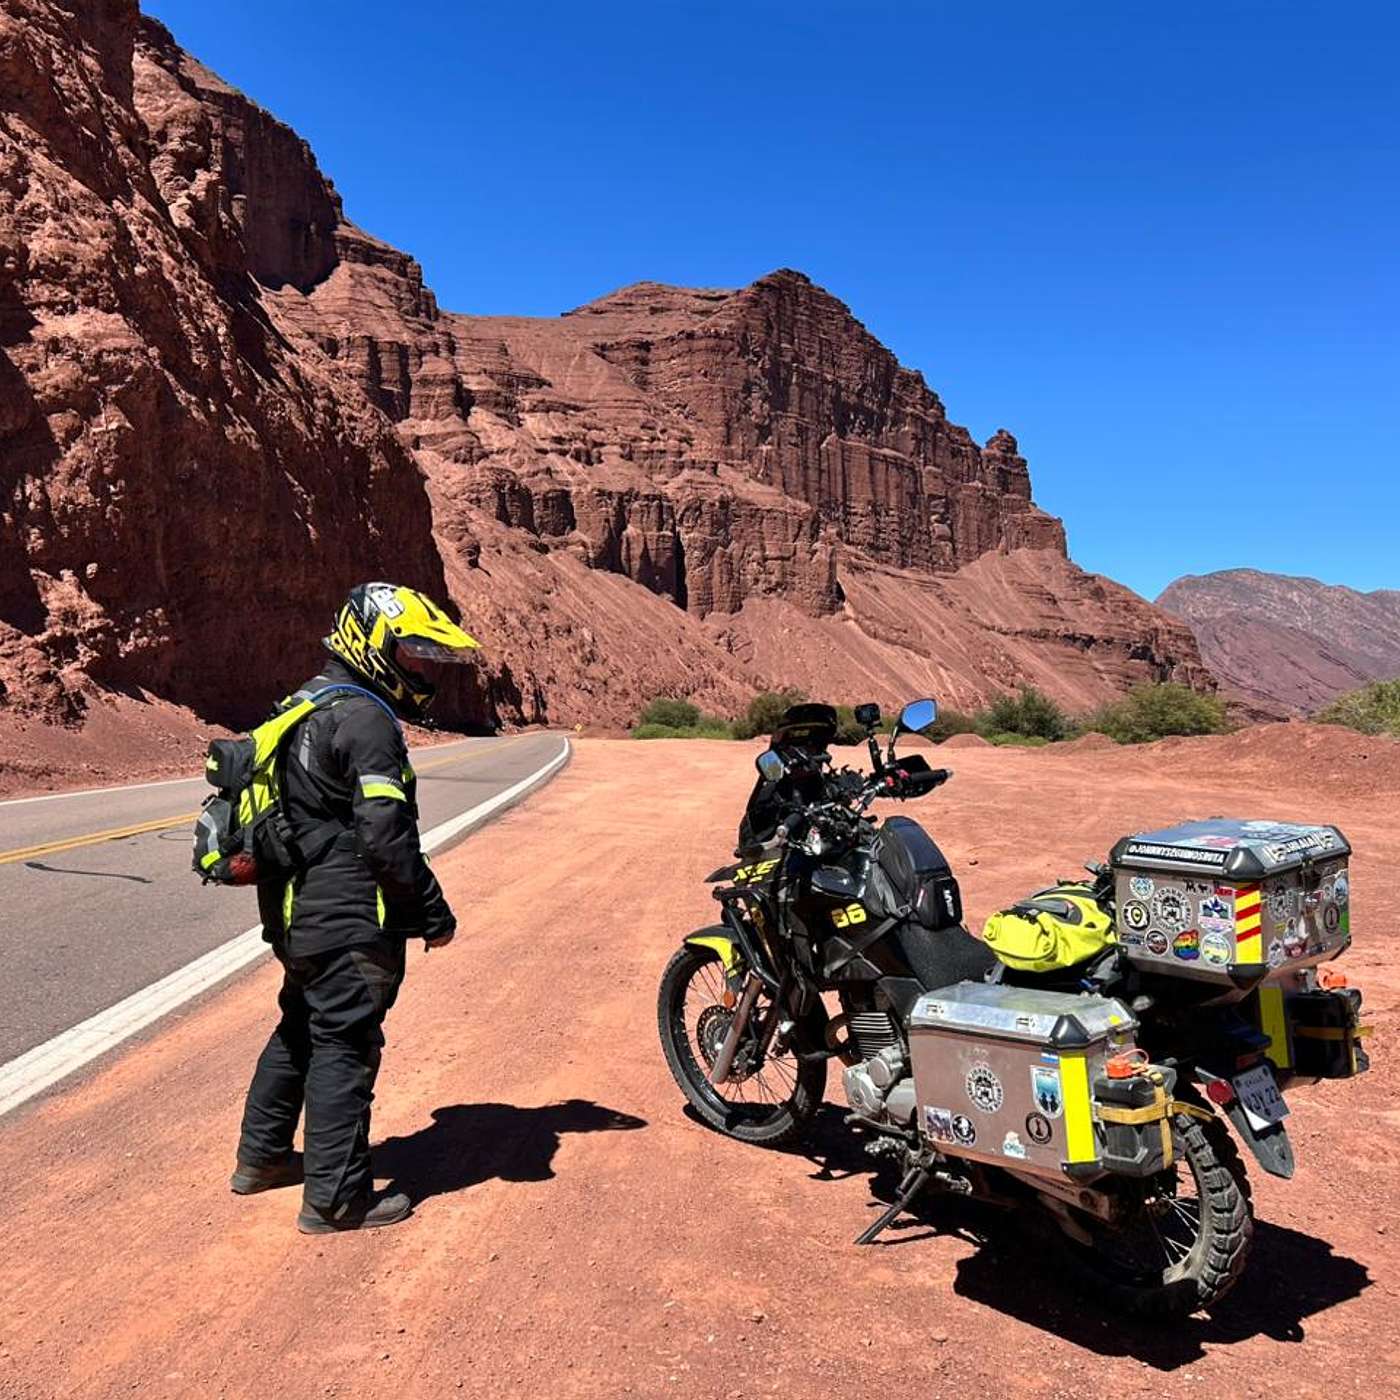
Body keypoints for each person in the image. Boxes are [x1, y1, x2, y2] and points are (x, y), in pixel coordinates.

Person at [229, 582, 480, 1233]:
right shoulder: (366, 719)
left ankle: (260, 1159)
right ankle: (336, 1199)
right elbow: (386, 836)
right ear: (371, 644)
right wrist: (431, 912)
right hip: (347, 921)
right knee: (345, 1044)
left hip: (294, 917)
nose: (420, 669)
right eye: (412, 653)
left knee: (297, 1031)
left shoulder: (302, 706)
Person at [738, 702, 840, 849]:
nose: (810, 751)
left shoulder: (819, 780)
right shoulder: (774, 780)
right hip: (778, 849)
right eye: (806, 747)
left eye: (813, 746)